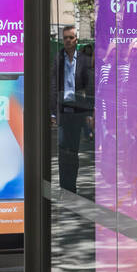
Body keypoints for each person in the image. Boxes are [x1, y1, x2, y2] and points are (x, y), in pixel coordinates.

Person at [50, 25, 93, 194]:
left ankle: (71, 186)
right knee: (62, 149)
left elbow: (88, 85)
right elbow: (53, 83)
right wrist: (52, 110)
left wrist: (89, 111)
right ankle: (64, 187)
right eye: (65, 38)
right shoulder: (57, 58)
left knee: (73, 151)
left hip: (77, 110)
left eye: (70, 38)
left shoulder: (83, 60)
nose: (67, 41)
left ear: (76, 40)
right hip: (62, 110)